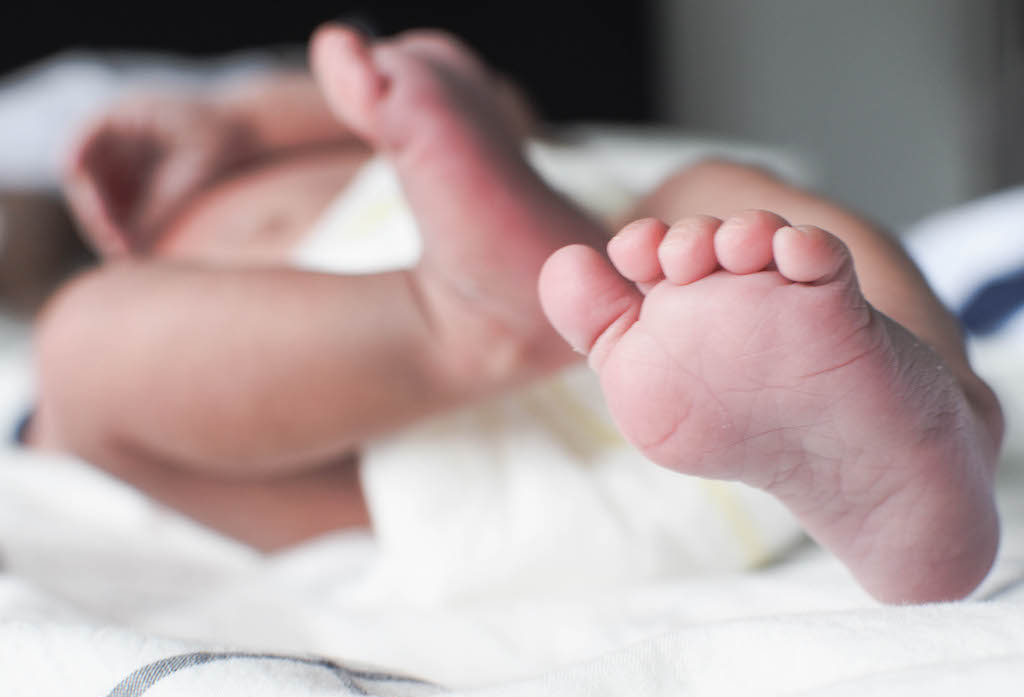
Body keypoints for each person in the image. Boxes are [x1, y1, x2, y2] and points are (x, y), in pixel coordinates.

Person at [26, 23, 1002, 605]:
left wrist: (237, 120)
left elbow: (502, 111)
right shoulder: (134, 266)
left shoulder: (288, 133)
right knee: (80, 357)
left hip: (656, 315)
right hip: (401, 439)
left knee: (716, 189)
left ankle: (928, 425)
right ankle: (465, 317)